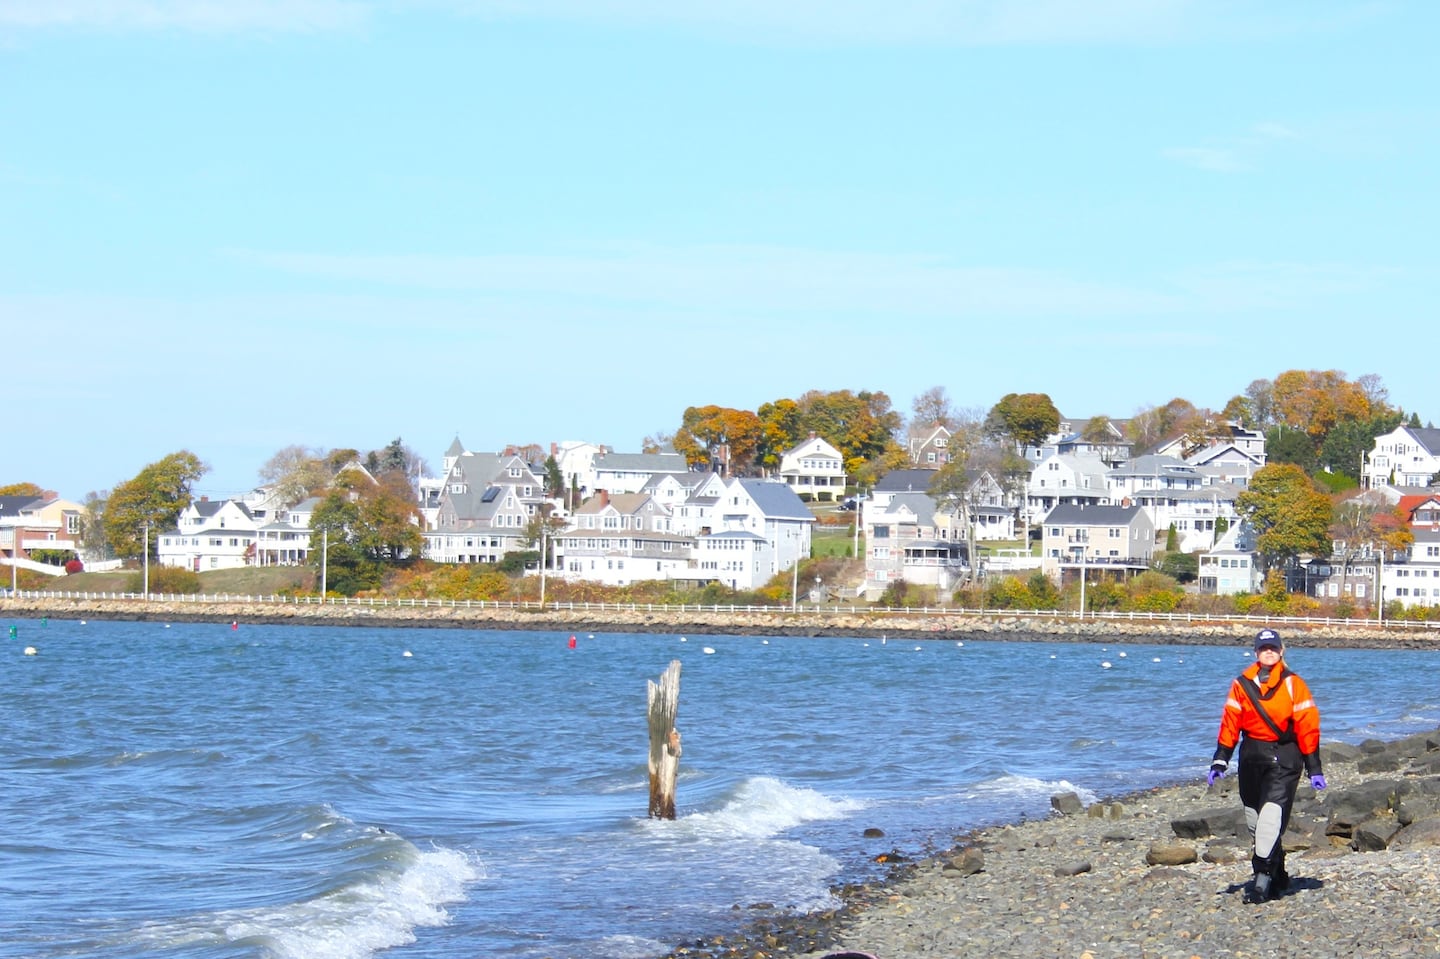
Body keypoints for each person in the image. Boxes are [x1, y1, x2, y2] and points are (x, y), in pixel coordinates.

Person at [1207, 627, 1327, 904]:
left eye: (1273, 647)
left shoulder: (1294, 684)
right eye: (1263, 648)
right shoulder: (1241, 684)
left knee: (1270, 819)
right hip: (1250, 758)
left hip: (1284, 758)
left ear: (1281, 651)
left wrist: (1314, 767)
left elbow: (1308, 727)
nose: (1269, 652)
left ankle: (1260, 881)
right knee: (1255, 823)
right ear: (1256, 653)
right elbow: (1230, 722)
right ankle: (1279, 872)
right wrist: (1220, 759)